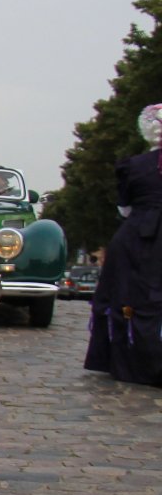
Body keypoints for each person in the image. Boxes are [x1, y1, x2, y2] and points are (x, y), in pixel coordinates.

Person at [85, 103, 162, 386]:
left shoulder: (134, 166)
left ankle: (132, 362)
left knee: (128, 297)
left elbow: (125, 209)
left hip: (138, 236)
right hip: (144, 236)